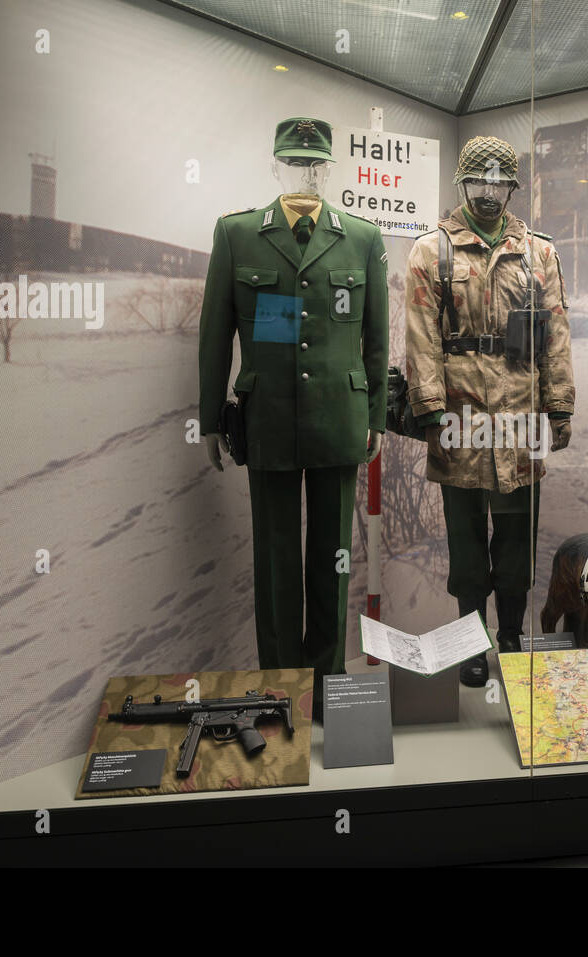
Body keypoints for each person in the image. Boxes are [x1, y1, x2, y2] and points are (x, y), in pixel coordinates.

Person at [198, 117, 388, 719]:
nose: (305, 174)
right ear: (274, 167)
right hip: (270, 418)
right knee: (277, 558)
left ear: (330, 170)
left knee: (333, 558)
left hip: (339, 419)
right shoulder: (237, 235)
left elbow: (377, 340)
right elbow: (214, 335)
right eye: (294, 163)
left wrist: (377, 415)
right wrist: (209, 418)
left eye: (315, 165)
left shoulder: (362, 237)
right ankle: (280, 690)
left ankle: (329, 687)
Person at [404, 136, 575, 687]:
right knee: (466, 536)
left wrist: (560, 405)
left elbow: (556, 333)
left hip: (520, 412)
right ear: (463, 183)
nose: (489, 193)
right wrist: (429, 407)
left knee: (517, 535)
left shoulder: (538, 251)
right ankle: (471, 639)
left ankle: (509, 635)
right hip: (460, 412)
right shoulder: (432, 251)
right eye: (480, 181)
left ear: (511, 187)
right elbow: (421, 335)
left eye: (500, 183)